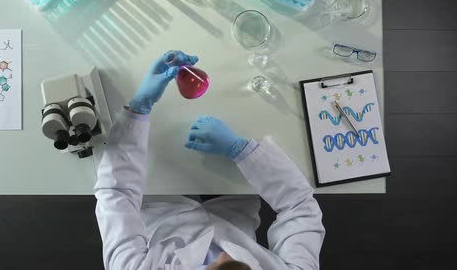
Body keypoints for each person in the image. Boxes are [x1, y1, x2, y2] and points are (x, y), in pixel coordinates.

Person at [94, 51, 325, 270]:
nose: (223, 254)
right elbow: (300, 206)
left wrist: (137, 109)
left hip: (160, 198)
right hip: (233, 197)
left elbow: (117, 193)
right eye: (239, 264)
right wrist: (243, 150)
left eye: (212, 265)